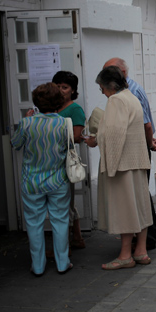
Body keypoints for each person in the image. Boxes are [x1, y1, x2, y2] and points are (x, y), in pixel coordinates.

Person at [85, 66, 153, 270]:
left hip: (122, 164)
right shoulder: (131, 97)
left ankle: (125, 255)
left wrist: (97, 140)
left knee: (125, 209)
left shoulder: (115, 100)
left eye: (101, 88)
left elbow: (114, 134)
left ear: (109, 86)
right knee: (139, 207)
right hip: (136, 160)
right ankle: (140, 251)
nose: (101, 92)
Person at [11, 83, 73, 276]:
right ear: (59, 101)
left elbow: (15, 144)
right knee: (60, 221)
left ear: (36, 102)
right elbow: (69, 148)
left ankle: (38, 266)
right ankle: (63, 263)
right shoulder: (64, 123)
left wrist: (26, 122)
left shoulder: (26, 123)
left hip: (32, 181)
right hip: (58, 180)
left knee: (34, 223)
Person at [103, 58, 156, 250]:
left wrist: (149, 143)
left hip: (132, 152)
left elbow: (140, 126)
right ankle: (145, 243)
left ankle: (142, 242)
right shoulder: (130, 92)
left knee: (134, 197)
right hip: (139, 147)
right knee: (140, 194)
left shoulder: (123, 96)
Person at [52, 71, 86, 249]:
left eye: (64, 87)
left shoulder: (75, 109)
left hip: (64, 161)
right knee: (66, 202)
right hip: (51, 161)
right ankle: (77, 238)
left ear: (73, 90)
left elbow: (77, 136)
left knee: (66, 202)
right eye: (57, 86)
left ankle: (66, 246)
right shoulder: (51, 108)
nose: (60, 90)